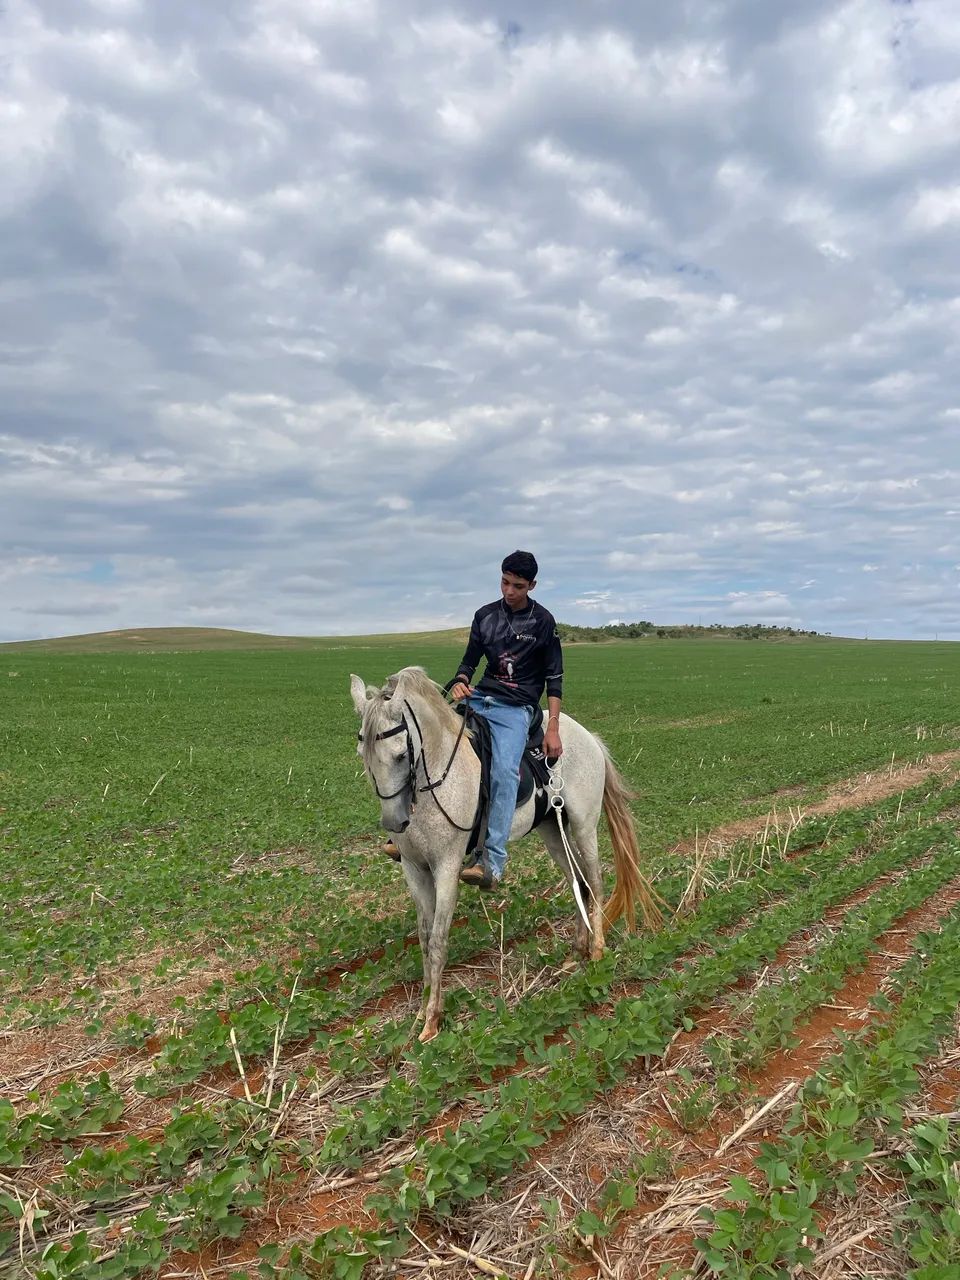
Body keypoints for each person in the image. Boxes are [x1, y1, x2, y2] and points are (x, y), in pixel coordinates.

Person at [451, 550, 564, 891]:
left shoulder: (543, 622)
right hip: (480, 698)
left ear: (532, 585)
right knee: (432, 744)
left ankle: (492, 860)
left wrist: (553, 727)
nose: (509, 591)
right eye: (504, 582)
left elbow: (554, 677)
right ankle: (412, 832)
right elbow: (469, 661)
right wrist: (460, 679)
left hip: (516, 710)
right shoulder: (484, 616)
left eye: (517, 585)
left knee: (503, 772)